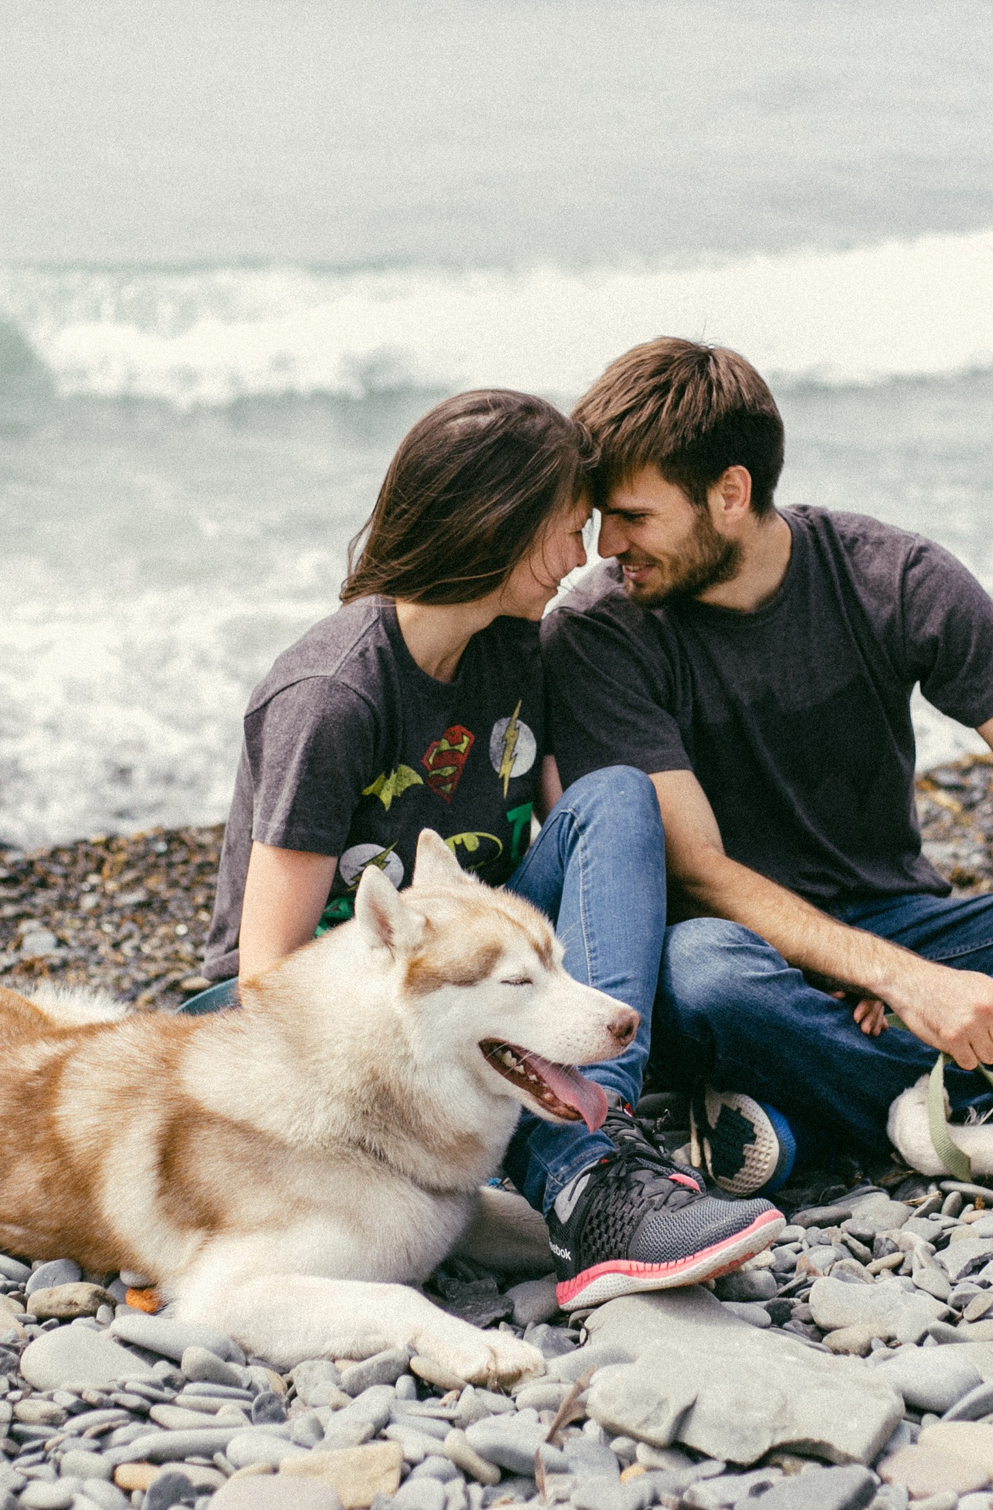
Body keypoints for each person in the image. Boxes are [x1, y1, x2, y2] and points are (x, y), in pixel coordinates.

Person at [540, 339, 993, 1193]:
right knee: (706, 976)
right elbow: (703, 874)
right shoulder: (598, 631)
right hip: (742, 950)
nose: (605, 545)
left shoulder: (893, 579)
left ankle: (820, 1112)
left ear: (729, 493)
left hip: (900, 922)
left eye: (633, 516)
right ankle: (989, 1094)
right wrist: (910, 984)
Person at [194, 388, 779, 1307]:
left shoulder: (517, 653)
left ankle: (605, 1135)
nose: (582, 558)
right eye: (565, 530)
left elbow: (585, 847)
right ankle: (592, 1187)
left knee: (617, 796)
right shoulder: (332, 696)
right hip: (307, 1017)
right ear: (494, 526)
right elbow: (265, 973)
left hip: (474, 992)